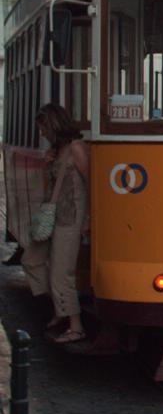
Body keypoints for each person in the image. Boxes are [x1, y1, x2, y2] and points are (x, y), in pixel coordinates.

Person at [22, 104, 89, 344]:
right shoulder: (57, 151)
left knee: (62, 273)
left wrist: (88, 221)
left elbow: (91, 184)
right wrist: (46, 167)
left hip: (71, 219)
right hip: (53, 217)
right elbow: (49, 189)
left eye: (43, 127)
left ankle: (76, 326)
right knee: (31, 260)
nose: (41, 133)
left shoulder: (77, 149)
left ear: (54, 125)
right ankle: (60, 308)